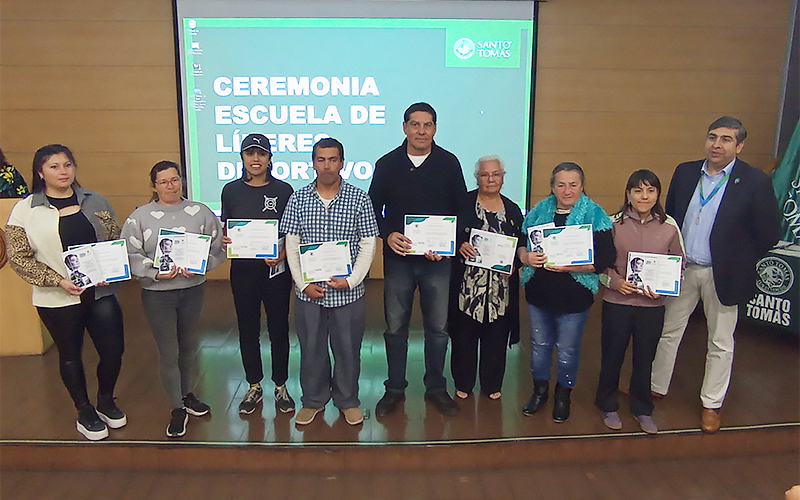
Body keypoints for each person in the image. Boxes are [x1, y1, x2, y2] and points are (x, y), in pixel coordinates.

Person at [650, 117, 781, 433]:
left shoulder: (755, 182)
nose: (717, 144)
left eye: (725, 139)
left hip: (722, 274)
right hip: (683, 268)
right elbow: (670, 217)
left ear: (739, 146)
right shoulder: (685, 172)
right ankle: (655, 386)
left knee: (720, 341)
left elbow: (770, 232)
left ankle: (711, 403)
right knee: (668, 331)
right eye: (712, 137)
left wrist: (741, 258)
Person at [6, 144, 125, 440]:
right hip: (58, 297)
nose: (63, 171)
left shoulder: (95, 200)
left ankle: (106, 400)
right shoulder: (25, 209)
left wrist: (112, 269)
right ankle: (84, 410)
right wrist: (57, 280)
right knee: (70, 354)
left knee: (113, 350)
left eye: (67, 165)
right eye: (54, 166)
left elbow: (114, 238)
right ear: (40, 172)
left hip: (100, 293)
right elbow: (19, 257)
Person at [369, 102, 467, 417]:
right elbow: (372, 209)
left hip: (437, 260)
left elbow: (461, 210)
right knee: (395, 327)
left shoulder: (449, 163)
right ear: (404, 127)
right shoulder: (387, 163)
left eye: (427, 125)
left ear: (435, 128)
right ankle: (394, 388)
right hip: (399, 259)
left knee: (438, 328)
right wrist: (388, 234)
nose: (421, 131)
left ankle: (436, 387)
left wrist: (448, 243)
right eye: (415, 124)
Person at [121, 161, 225, 438]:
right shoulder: (140, 217)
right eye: (164, 181)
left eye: (175, 180)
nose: (170, 186)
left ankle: (187, 393)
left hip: (192, 289)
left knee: (189, 346)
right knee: (169, 351)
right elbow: (129, 254)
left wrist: (202, 265)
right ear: (154, 185)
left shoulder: (200, 212)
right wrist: (155, 273)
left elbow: (216, 247)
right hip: (158, 294)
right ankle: (176, 406)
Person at [281, 138, 378, 426]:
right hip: (309, 293)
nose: (327, 165)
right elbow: (291, 244)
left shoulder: (360, 198)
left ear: (342, 163)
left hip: (348, 294)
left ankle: (348, 400)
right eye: (321, 159)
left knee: (348, 349)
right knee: (311, 349)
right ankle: (313, 400)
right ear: (313, 163)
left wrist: (351, 281)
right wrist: (301, 284)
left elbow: (368, 243)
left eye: (333, 159)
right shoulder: (298, 199)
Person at [518, 162, 616, 422]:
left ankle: (563, 396)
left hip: (575, 297)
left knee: (568, 350)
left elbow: (606, 257)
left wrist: (571, 266)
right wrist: (525, 256)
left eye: (573, 184)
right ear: (552, 187)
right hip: (538, 294)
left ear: (582, 186)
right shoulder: (537, 213)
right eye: (561, 184)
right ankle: (540, 392)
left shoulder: (595, 215)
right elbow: (519, 244)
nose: (567, 190)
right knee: (539, 346)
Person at [595, 170, 684, 434]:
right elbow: (600, 264)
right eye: (638, 191)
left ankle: (642, 408)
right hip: (617, 302)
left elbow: (680, 264)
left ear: (658, 194)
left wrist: (665, 288)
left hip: (652, 307)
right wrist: (615, 282)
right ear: (628, 194)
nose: (644, 196)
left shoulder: (669, 226)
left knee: (645, 359)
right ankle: (607, 404)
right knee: (612, 356)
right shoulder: (611, 224)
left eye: (650, 191)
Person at [221, 134, 295, 416]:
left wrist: (284, 253)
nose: (255, 159)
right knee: (247, 329)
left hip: (275, 271)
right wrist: (227, 239)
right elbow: (228, 226)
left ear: (269, 158)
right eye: (250, 153)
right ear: (242, 158)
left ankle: (280, 385)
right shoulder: (230, 190)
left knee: (279, 328)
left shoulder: (284, 190)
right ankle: (253, 384)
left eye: (261, 154)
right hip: (242, 272)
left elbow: (291, 232)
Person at [449, 156, 524, 401]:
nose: (490, 179)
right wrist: (459, 244)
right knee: (463, 338)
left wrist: (516, 262)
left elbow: (522, 245)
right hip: (467, 286)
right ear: (477, 177)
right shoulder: (462, 203)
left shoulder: (513, 210)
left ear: (503, 177)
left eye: (495, 174)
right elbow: (449, 235)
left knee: (496, 338)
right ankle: (463, 382)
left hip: (500, 288)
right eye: (484, 174)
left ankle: (492, 383)